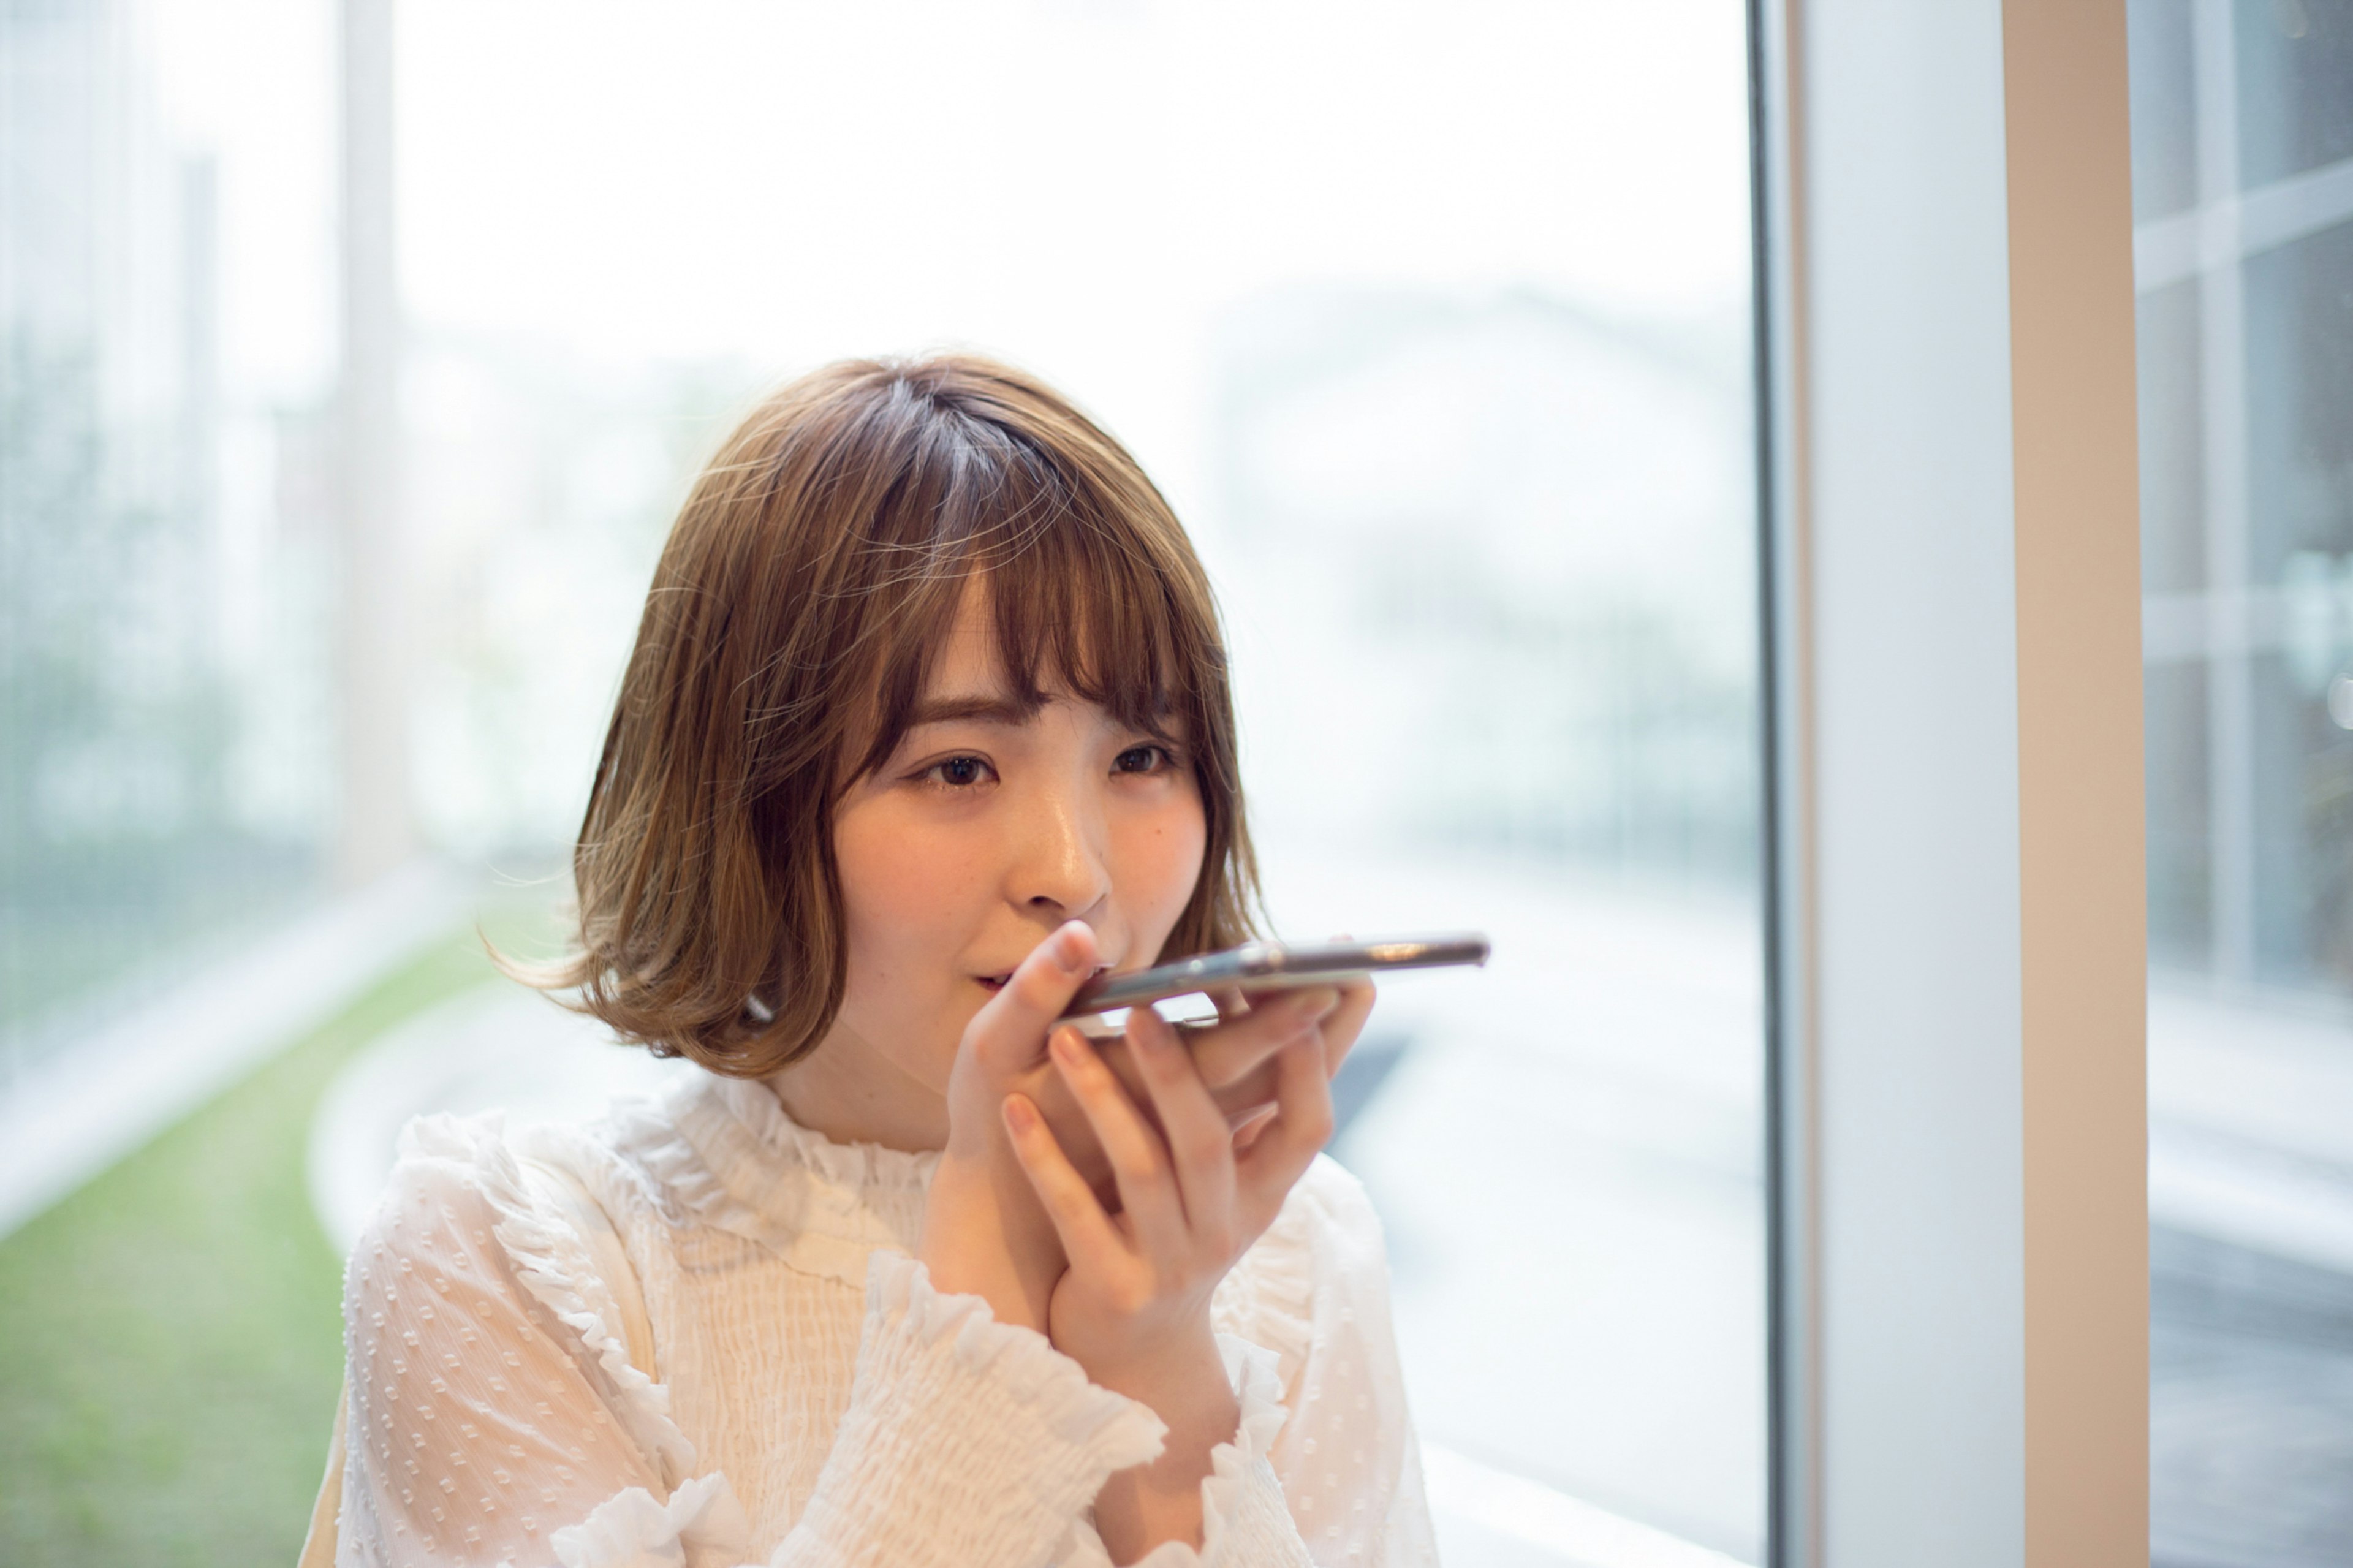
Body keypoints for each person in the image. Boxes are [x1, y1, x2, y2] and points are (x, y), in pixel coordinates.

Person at [302, 355, 1437, 1568]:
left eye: (1145, 755)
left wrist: (1158, 1360)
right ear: (744, 805)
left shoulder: (1297, 1258)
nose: (1079, 870)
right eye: (957, 766)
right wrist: (983, 1312)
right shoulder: (512, 1259)